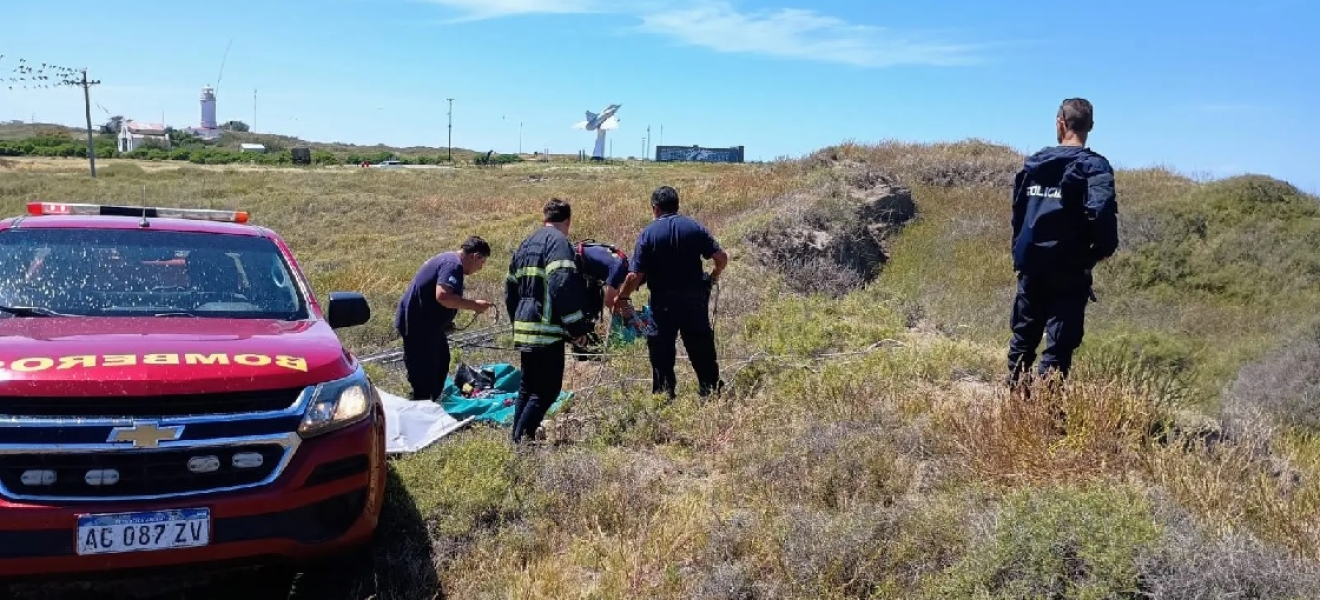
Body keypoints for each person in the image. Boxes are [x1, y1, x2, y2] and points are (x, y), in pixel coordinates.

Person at [1007, 98, 1119, 388]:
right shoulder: (1095, 167)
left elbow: (1018, 211)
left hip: (1031, 263)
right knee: (1059, 345)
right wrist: (1103, 248)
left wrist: (1018, 251)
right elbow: (1101, 210)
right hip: (1069, 268)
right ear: (1090, 126)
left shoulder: (1034, 163)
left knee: (1023, 336)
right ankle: (1046, 412)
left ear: (1060, 123)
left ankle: (1016, 403)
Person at [616, 185, 728, 399]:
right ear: (676, 206)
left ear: (655, 208)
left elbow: (634, 276)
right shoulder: (694, 227)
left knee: (661, 353)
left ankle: (664, 397)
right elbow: (721, 257)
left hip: (662, 303)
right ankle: (711, 392)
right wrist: (713, 276)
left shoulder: (648, 234)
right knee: (701, 348)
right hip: (694, 300)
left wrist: (623, 297)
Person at [505, 198, 594, 443]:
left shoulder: (525, 244)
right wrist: (576, 327)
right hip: (545, 329)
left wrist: (518, 323)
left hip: (525, 327)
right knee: (547, 390)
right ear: (567, 221)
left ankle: (518, 440)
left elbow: (510, 290)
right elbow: (562, 283)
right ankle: (521, 442)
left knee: (527, 387)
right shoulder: (559, 243)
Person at [394, 236, 493, 401]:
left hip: (429, 325)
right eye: (482, 263)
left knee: (441, 362)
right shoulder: (453, 265)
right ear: (475, 256)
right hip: (418, 326)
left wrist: (445, 322)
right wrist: (474, 305)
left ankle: (431, 400)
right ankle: (423, 406)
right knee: (425, 372)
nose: (480, 268)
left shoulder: (448, 259)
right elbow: (443, 297)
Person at [569, 238, 630, 358]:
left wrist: (621, 305)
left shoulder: (623, 263)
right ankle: (580, 348)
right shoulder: (619, 269)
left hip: (587, 269)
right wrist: (622, 315)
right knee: (587, 306)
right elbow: (609, 302)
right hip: (575, 264)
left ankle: (588, 339)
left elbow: (616, 296)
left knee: (595, 302)